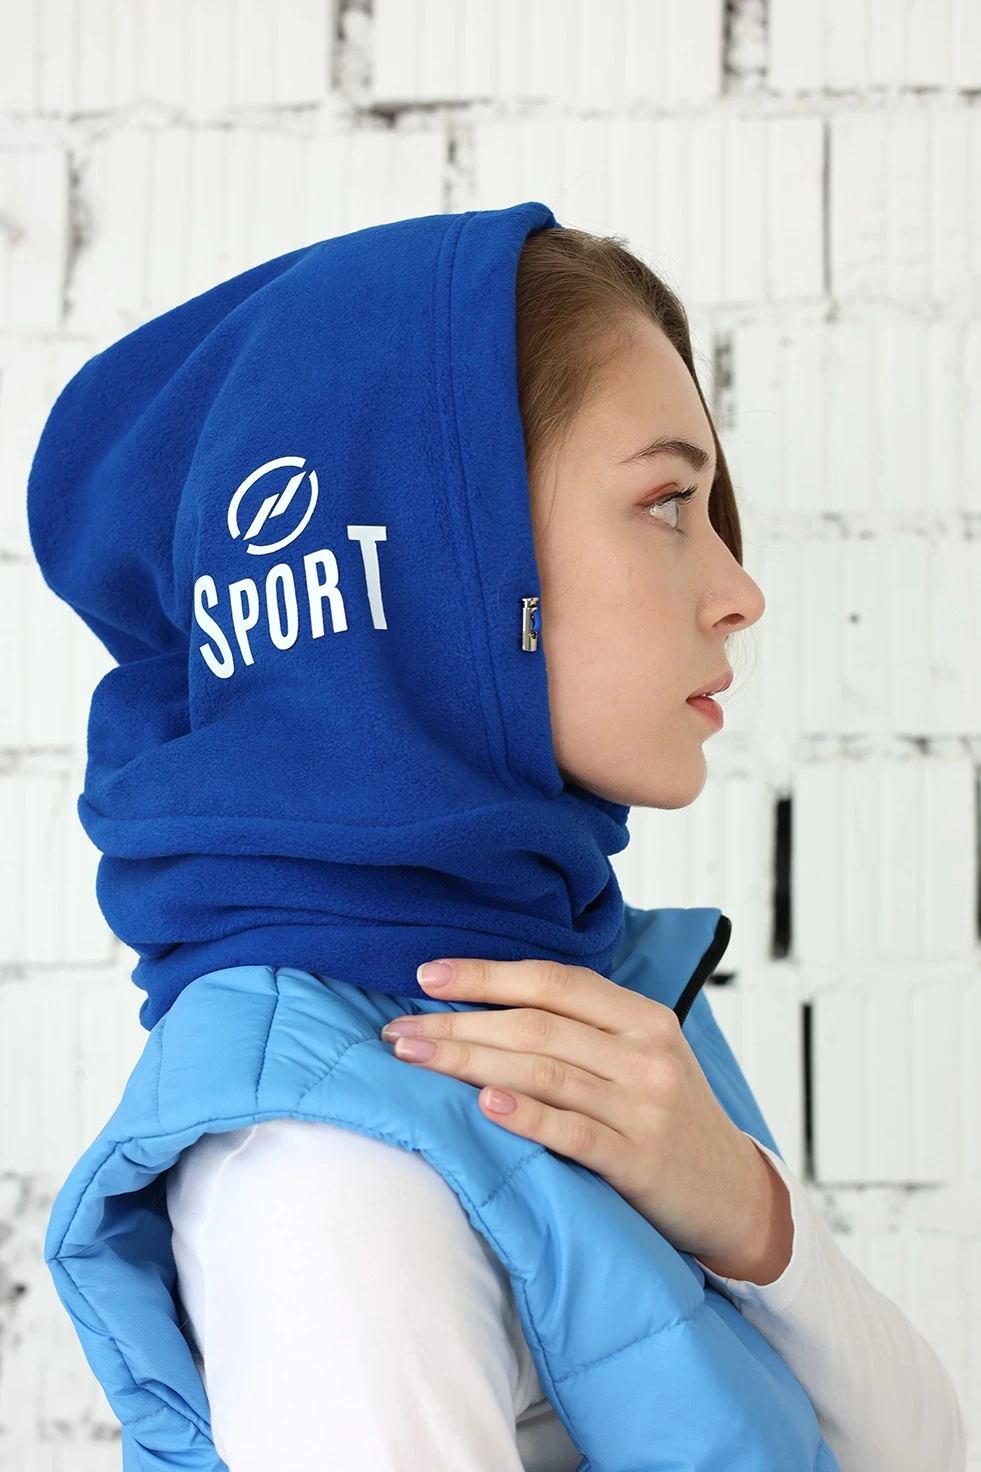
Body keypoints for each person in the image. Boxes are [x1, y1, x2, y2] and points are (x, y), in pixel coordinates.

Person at [30, 202, 964, 1470]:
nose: (740, 590)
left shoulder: (587, 1002)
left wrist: (751, 1212)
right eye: (667, 501)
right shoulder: (322, 1173)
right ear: (444, 568)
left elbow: (924, 1445)